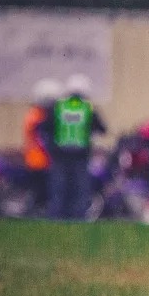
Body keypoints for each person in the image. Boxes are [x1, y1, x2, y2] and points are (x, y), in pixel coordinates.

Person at [44, 74, 107, 220]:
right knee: (80, 188)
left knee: (59, 187)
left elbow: (46, 127)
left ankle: (56, 217)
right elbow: (102, 128)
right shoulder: (87, 108)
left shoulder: (59, 107)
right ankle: (78, 217)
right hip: (80, 155)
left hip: (60, 155)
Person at [22, 78, 61, 215]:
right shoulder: (38, 116)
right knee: (40, 191)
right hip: (39, 161)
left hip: (38, 159)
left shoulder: (35, 114)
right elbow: (41, 139)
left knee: (40, 191)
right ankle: (33, 213)